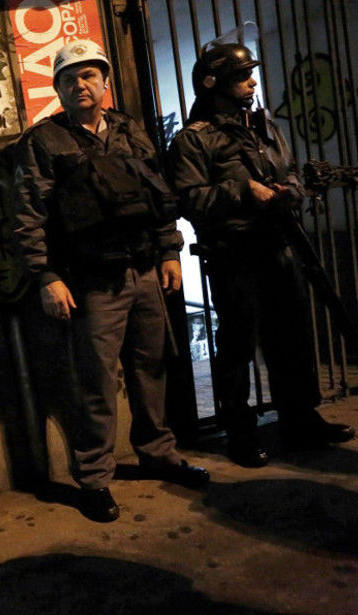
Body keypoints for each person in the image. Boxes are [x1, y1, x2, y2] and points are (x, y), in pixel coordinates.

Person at [12, 40, 209, 523]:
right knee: (95, 383)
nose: (79, 85)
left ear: (104, 82)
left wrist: (169, 250)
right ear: (56, 88)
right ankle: (95, 478)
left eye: (88, 76)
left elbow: (158, 195)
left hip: (143, 272)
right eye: (68, 79)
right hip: (91, 282)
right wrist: (46, 275)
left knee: (152, 368)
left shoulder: (128, 130)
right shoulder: (43, 142)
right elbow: (27, 217)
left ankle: (158, 453)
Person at [167, 43, 354, 467]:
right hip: (234, 254)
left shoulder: (262, 124)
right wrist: (243, 191)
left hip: (278, 246)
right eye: (242, 76)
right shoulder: (194, 139)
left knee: (292, 339)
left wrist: (292, 191)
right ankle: (241, 434)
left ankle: (300, 421)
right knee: (237, 347)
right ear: (213, 82)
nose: (253, 81)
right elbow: (186, 199)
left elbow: (286, 168)